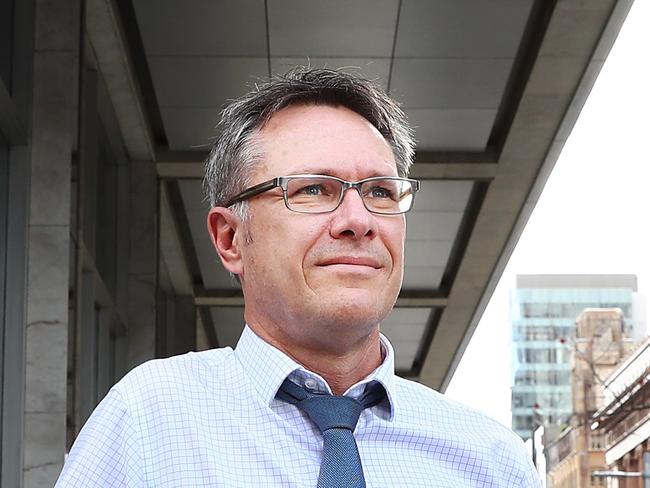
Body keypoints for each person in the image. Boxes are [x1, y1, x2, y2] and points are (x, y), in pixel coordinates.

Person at [56, 68, 541, 487]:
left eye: (380, 192)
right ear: (229, 239)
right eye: (313, 189)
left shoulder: (490, 459)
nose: (359, 219)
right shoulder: (149, 422)